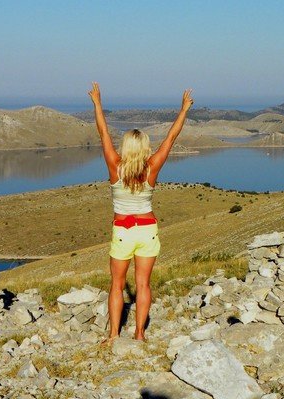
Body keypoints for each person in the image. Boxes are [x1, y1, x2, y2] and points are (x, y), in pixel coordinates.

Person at [88, 82, 193, 343]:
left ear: (125, 148)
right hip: (147, 231)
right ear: (145, 148)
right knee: (144, 284)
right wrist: (183, 110)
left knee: (117, 285)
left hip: (122, 230)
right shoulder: (152, 167)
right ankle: (140, 334)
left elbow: (102, 134)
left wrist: (98, 103)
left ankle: (113, 335)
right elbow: (171, 138)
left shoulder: (115, 166)